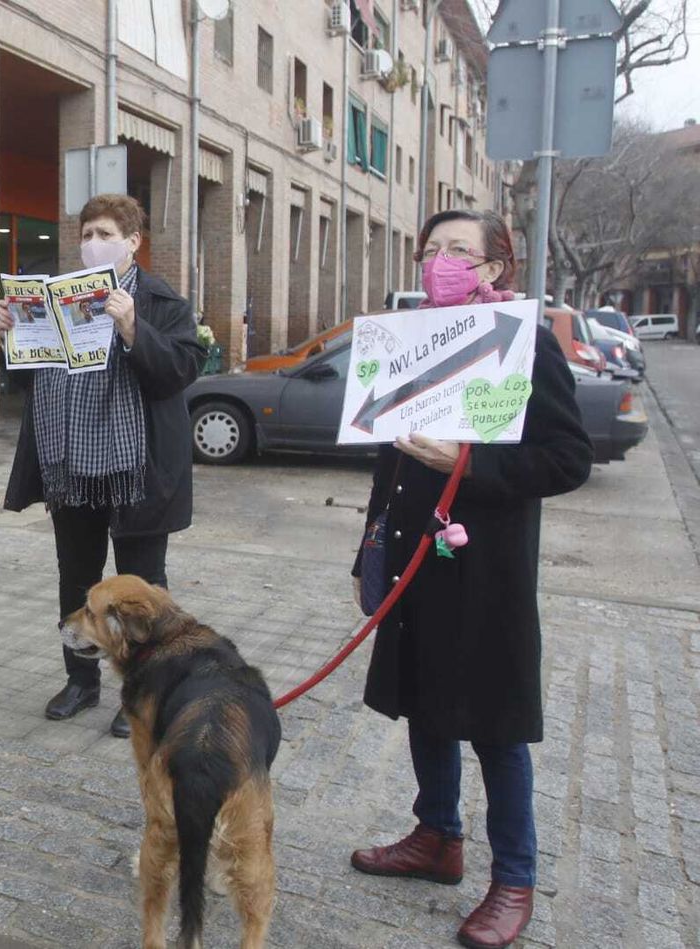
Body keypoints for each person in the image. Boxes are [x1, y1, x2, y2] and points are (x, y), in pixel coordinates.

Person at [348, 209, 592, 949]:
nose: (440, 261)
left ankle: (513, 876)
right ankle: (437, 834)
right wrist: (372, 542)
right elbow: (390, 454)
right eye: (431, 250)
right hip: (415, 559)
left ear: (494, 265)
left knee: (494, 723)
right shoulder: (408, 337)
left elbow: (567, 457)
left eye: (459, 250)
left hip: (485, 568)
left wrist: (469, 464)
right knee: (424, 699)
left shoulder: (524, 342)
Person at [0, 194, 206, 738]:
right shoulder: (55, 297)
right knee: (77, 578)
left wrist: (134, 328)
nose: (93, 243)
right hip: (68, 462)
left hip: (136, 467)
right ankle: (81, 682)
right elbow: (29, 382)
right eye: (87, 233)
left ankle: (141, 693)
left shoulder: (163, 302)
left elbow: (179, 372)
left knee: (141, 589)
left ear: (133, 242)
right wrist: (11, 341)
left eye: (106, 233)